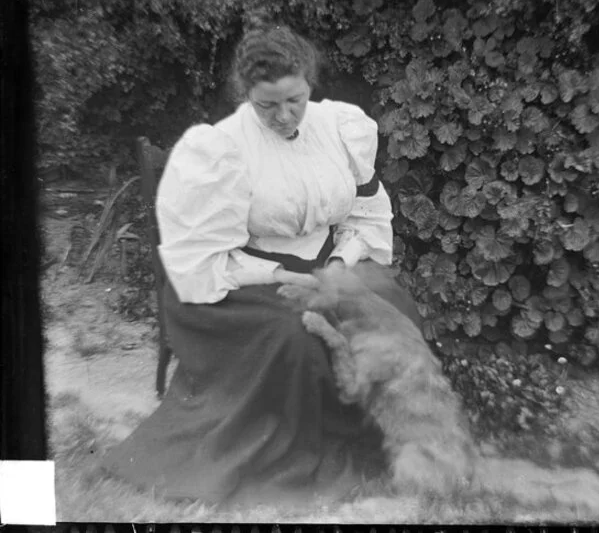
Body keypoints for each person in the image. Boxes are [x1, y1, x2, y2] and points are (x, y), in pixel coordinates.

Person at [101, 25, 420, 506]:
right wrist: (279, 274)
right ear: (245, 94)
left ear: (309, 83)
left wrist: (339, 262)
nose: (284, 115)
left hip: (326, 265)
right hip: (243, 278)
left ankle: (387, 444)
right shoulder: (221, 147)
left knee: (394, 309)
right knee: (298, 338)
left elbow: (365, 210)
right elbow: (203, 255)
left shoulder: (339, 127)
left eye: (294, 100)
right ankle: (299, 454)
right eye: (266, 105)